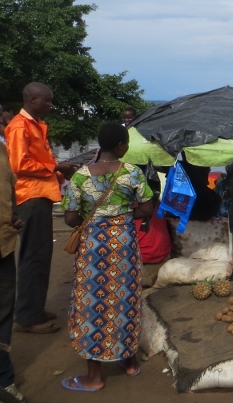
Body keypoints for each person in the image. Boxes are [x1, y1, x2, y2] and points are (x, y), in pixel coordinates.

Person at [61, 123, 154, 392]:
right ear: (122, 146)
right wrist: (123, 219)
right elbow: (147, 208)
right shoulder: (132, 173)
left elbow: (69, 218)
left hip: (92, 247)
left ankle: (94, 377)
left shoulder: (79, 177)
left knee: (92, 303)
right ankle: (130, 362)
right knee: (124, 298)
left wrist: (96, 223)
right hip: (124, 245)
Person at [5, 82, 79, 334]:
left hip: (42, 194)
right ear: (32, 99)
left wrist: (58, 170)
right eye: (46, 101)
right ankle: (28, 316)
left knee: (40, 254)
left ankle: (32, 308)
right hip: (31, 196)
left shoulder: (34, 125)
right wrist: (56, 169)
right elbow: (19, 164)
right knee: (33, 256)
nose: (50, 105)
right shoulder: (19, 126)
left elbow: (40, 159)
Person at [0, 99, 25, 402]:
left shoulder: (0, 149)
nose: (0, 124)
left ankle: (2, 378)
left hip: (2, 245)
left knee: (2, 313)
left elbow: (9, 185)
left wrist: (13, 213)